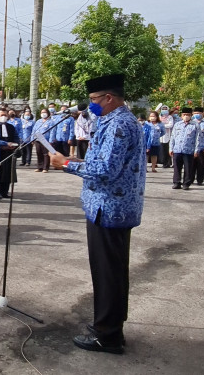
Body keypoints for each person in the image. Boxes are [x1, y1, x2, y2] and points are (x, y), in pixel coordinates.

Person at [50, 73, 145, 355]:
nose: (90, 105)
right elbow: (102, 161)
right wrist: (79, 161)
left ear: (109, 98)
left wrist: (66, 163)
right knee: (110, 272)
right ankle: (109, 324)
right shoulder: (114, 120)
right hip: (107, 207)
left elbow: (105, 171)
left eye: (93, 100)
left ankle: (109, 335)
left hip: (110, 209)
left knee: (109, 273)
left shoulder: (119, 125)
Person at [169, 107, 199, 190]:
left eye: (188, 115)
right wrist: (171, 148)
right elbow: (173, 137)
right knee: (177, 167)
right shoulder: (177, 124)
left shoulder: (195, 125)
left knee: (188, 168)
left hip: (189, 150)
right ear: (181, 115)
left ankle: (186, 183)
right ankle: (176, 182)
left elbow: (197, 139)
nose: (186, 116)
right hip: (177, 149)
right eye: (184, 114)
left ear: (191, 115)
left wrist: (196, 150)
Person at [0, 108, 19, 199]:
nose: (4, 117)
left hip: (9, 152)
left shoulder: (11, 127)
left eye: (5, 115)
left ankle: (5, 191)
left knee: (7, 172)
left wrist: (15, 145)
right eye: (2, 115)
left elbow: (16, 137)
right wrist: (3, 145)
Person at [191, 106, 204, 186]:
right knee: (191, 164)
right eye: (195, 113)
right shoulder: (191, 122)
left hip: (202, 147)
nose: (197, 115)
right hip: (191, 147)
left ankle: (200, 180)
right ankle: (190, 179)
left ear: (203, 113)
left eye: (198, 113)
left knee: (201, 164)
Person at [33, 109, 52, 173]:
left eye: (44, 112)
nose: (43, 113)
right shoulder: (38, 121)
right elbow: (34, 130)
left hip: (46, 140)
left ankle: (45, 168)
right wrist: (32, 138)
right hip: (37, 139)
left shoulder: (50, 122)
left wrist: (51, 140)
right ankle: (39, 167)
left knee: (46, 154)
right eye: (42, 112)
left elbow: (52, 132)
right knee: (39, 153)